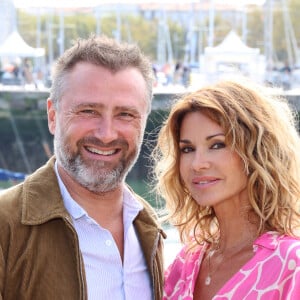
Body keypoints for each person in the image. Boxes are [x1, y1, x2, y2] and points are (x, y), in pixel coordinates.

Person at [0, 35, 165, 300]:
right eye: (88, 111)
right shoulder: (6, 227)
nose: (107, 134)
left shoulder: (149, 226)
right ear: (53, 117)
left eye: (125, 114)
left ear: (144, 123)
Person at [152, 79, 300, 299]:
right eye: (187, 149)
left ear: (256, 151)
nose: (197, 163)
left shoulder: (291, 263)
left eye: (217, 145)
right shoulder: (186, 262)